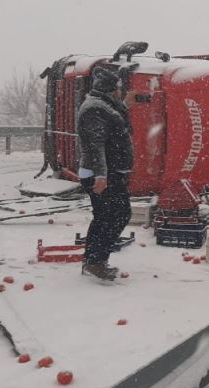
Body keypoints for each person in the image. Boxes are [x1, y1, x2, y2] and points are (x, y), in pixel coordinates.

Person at [77, 66, 134, 281]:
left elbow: (115, 125)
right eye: (119, 88)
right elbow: (95, 145)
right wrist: (101, 176)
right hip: (101, 173)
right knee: (116, 215)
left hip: (108, 171)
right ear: (111, 89)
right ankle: (95, 261)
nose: (121, 91)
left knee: (105, 216)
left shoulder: (102, 105)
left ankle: (94, 260)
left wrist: (126, 105)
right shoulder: (94, 109)